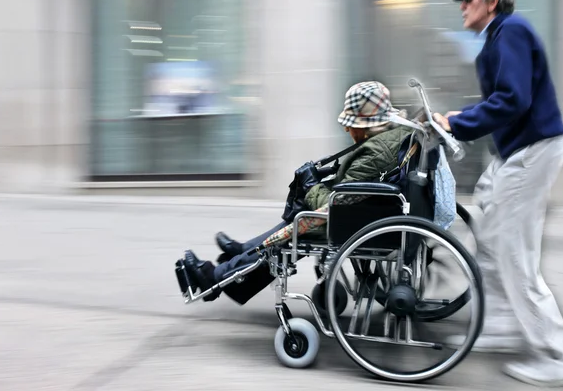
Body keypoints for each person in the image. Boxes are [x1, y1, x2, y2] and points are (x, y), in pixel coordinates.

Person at [432, 0, 563, 386]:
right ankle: (501, 323)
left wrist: (459, 124)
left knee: (514, 250)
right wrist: (460, 117)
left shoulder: (512, 30)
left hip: (531, 150)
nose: (461, 4)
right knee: (486, 231)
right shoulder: (499, 36)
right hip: (514, 151)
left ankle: (562, 354)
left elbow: (513, 100)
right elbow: (504, 100)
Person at [177, 81, 414, 305]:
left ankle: (215, 277)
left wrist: (312, 185)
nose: (346, 127)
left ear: (367, 124)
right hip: (370, 212)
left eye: (351, 123)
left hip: (351, 222)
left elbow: (336, 205)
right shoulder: (396, 135)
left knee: (294, 229)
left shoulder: (374, 152)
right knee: (297, 219)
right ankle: (244, 252)